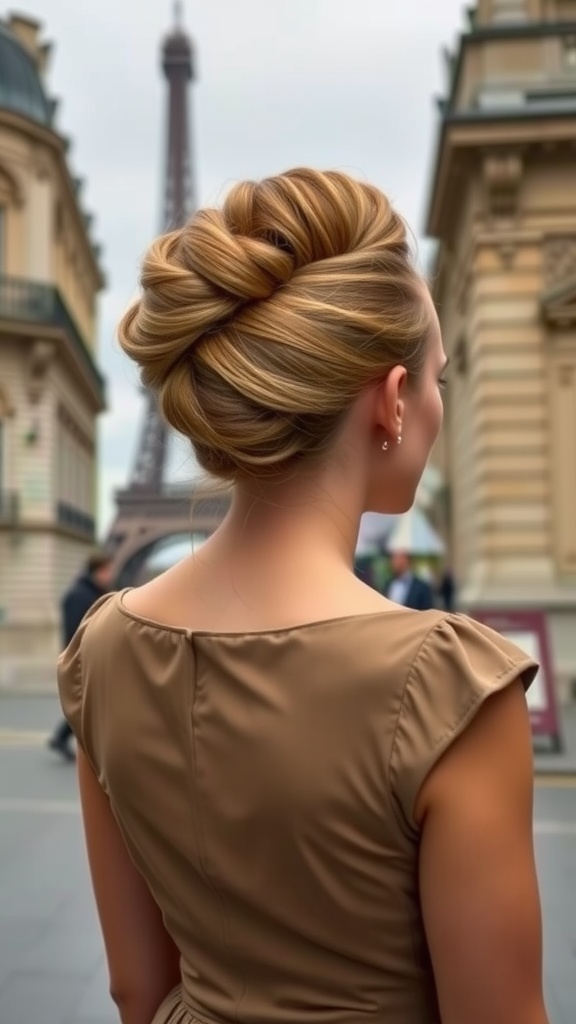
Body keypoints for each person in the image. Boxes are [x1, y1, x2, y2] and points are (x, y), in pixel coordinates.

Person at [57, 169, 549, 1024]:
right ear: (393, 401)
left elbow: (137, 989)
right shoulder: (446, 684)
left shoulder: (102, 650)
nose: (437, 402)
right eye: (436, 377)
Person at [48, 551, 113, 761]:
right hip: (85, 657)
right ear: (97, 570)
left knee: (88, 702)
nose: (109, 574)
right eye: (106, 570)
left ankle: (63, 738)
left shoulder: (91, 592)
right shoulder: (80, 595)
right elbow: (74, 631)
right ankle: (63, 737)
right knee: (87, 702)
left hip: (92, 655)